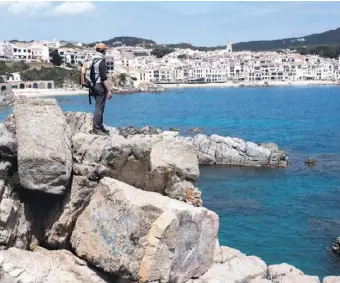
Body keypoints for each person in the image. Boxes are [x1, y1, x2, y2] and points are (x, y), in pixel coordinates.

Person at [86, 43, 112, 135]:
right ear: (104, 50)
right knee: (99, 108)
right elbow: (104, 78)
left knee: (100, 107)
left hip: (93, 86)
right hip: (99, 85)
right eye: (106, 49)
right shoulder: (101, 61)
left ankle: (100, 127)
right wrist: (109, 90)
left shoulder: (92, 59)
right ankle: (96, 129)